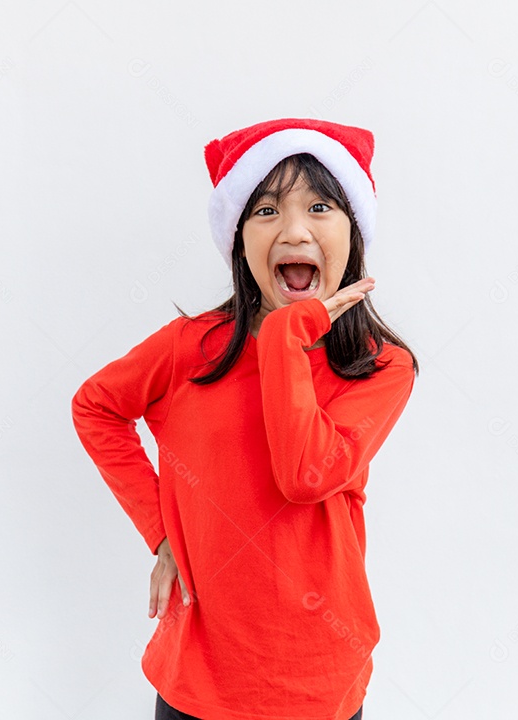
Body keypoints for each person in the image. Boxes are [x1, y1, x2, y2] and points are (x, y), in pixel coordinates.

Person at [71, 118, 420, 720]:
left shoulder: (380, 368)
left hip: (317, 681)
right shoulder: (190, 348)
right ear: (238, 241)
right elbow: (96, 407)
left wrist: (289, 334)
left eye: (320, 206)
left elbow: (305, 473)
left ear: (353, 232)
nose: (293, 229)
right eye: (264, 210)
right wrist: (163, 532)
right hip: (198, 679)